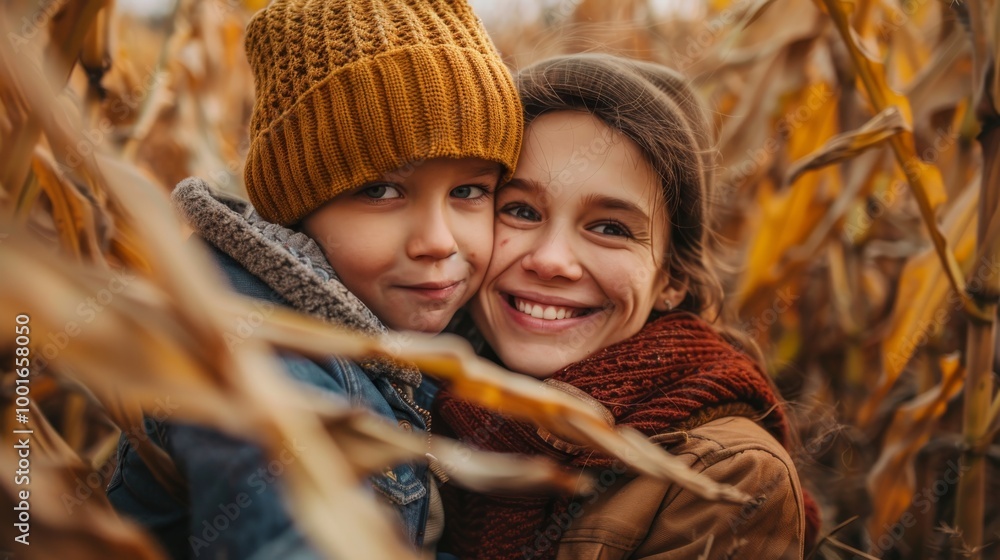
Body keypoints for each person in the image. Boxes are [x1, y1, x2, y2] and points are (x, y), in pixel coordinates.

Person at [106, 1, 522, 558]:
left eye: (469, 192)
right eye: (379, 191)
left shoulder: (415, 331)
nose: (439, 241)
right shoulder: (261, 360)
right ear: (295, 209)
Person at [432, 53, 820, 559]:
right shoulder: (400, 391)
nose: (551, 261)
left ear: (671, 280)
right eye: (521, 211)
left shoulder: (725, 475)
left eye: (610, 228)